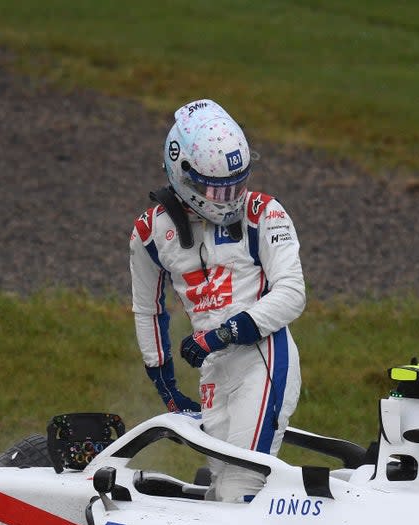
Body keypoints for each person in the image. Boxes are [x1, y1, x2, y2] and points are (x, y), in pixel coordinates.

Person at [129, 98, 306, 501]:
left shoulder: (265, 212)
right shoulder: (148, 232)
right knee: (218, 488)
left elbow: (293, 295)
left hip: (262, 357)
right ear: (181, 174)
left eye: (237, 184)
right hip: (212, 369)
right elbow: (148, 309)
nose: (229, 198)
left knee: (241, 488)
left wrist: (222, 335)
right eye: (216, 188)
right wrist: (165, 384)